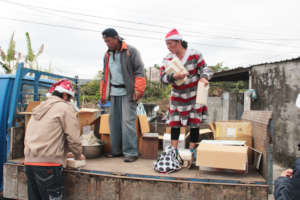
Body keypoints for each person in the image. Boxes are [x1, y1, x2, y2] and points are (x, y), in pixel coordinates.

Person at [24, 79, 85, 200]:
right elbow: (73, 138)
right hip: (48, 165)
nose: (70, 101)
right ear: (64, 95)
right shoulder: (65, 108)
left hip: (29, 163)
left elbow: (45, 134)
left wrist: (63, 152)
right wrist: (78, 155)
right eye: (70, 98)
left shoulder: (40, 108)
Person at [160, 28, 213, 159]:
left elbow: (205, 68)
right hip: (177, 97)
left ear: (179, 42)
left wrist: (205, 77)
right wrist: (174, 77)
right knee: (175, 124)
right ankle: (174, 151)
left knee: (195, 123)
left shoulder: (195, 55)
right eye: (166, 44)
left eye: (170, 43)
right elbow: (162, 78)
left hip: (194, 95)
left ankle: (191, 151)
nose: (168, 47)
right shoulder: (167, 59)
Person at [100, 28, 146, 162]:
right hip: (114, 93)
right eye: (105, 41)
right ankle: (117, 151)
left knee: (127, 122)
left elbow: (139, 71)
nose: (107, 43)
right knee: (114, 122)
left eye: (108, 40)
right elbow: (105, 75)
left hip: (128, 93)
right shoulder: (107, 55)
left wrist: (138, 90)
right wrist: (103, 94)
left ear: (116, 38)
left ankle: (131, 152)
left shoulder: (131, 51)